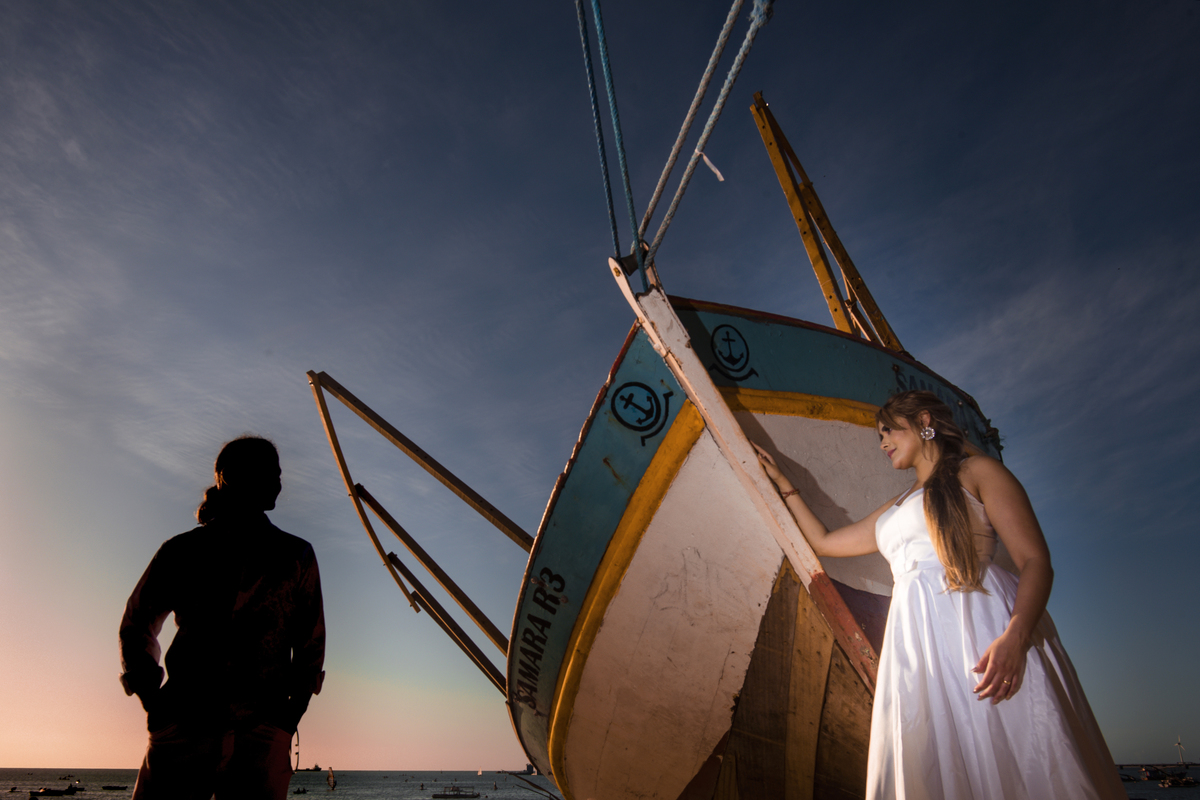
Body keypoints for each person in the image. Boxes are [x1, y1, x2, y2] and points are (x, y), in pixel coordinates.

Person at [753, 391, 1123, 800]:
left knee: (1008, 746)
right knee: (933, 757)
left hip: (980, 625)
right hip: (917, 641)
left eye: (888, 431)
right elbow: (825, 542)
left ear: (924, 421)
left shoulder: (977, 471)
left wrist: (1015, 638)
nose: (882, 443)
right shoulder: (896, 504)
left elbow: (1035, 560)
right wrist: (783, 483)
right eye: (879, 436)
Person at [120, 435, 325, 800]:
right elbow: (137, 625)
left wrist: (287, 719)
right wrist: (155, 705)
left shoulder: (296, 556)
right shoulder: (182, 551)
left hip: (261, 733)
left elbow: (311, 646)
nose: (279, 484)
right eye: (272, 474)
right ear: (231, 476)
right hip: (183, 726)